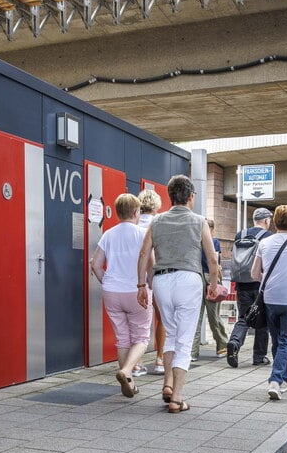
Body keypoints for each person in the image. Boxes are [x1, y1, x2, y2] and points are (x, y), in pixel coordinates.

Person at [137, 175, 221, 413]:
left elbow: (144, 255)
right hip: (189, 280)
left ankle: (168, 385)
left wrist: (141, 286)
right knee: (184, 339)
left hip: (162, 279)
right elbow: (212, 258)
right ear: (191, 197)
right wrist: (213, 283)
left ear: (169, 196)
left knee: (172, 333)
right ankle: (177, 398)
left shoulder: (157, 221)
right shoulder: (199, 221)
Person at [89, 193, 154, 398]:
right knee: (141, 338)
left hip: (112, 292)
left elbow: (96, 265)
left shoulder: (108, 234)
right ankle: (127, 371)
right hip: (137, 291)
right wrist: (151, 287)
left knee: (123, 338)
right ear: (136, 212)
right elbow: (151, 264)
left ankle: (129, 383)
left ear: (118, 213)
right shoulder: (143, 233)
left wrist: (106, 281)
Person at [251, 205, 287, 399]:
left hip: (270, 297)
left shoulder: (264, 243)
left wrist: (269, 280)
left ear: (274, 222)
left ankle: (286, 379)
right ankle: (275, 380)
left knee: (276, 339)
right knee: (286, 340)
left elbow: (255, 273)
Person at [226, 207, 273, 368]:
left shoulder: (241, 235)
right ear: (266, 220)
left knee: (243, 317)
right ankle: (259, 357)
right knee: (262, 320)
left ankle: (234, 342)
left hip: (242, 283)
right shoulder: (268, 236)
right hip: (260, 284)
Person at [191, 219, 229, 361]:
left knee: (196, 316)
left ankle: (193, 352)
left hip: (196, 278)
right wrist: (216, 282)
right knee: (214, 316)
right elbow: (215, 262)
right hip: (209, 278)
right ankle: (222, 346)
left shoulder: (196, 242)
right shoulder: (214, 242)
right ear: (212, 229)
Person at [138, 189, 165, 377]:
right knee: (161, 318)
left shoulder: (133, 224)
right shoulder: (159, 223)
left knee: (137, 322)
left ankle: (137, 362)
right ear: (156, 205)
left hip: (135, 280)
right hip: (158, 277)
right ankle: (160, 359)